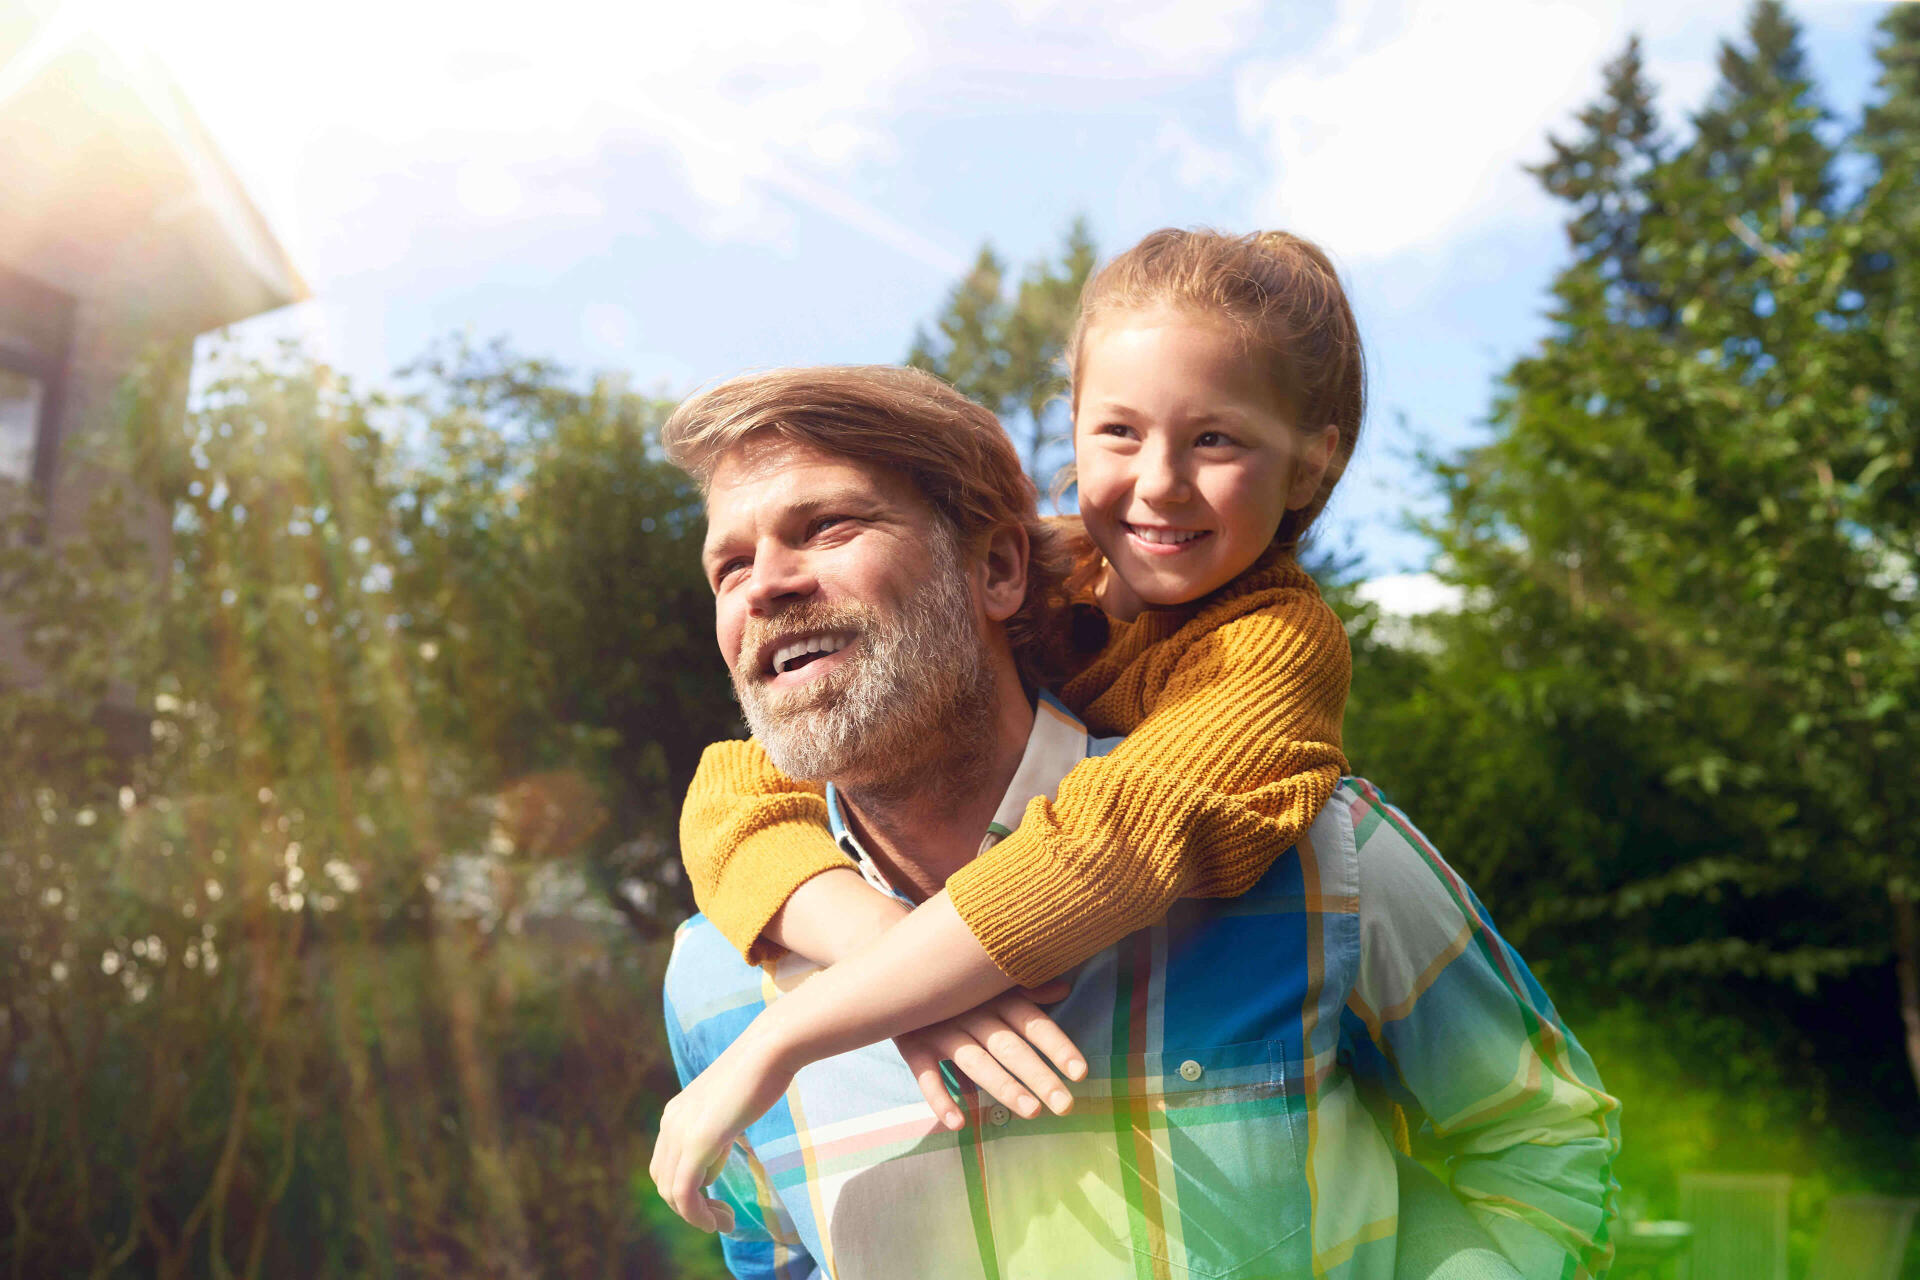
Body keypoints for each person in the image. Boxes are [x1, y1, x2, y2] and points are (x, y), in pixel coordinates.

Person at [650, 364, 1619, 1279]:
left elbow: (1547, 1150)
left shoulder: (1320, 854)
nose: (765, 584)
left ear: (997, 567)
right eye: (728, 565)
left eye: (824, 525)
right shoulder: (714, 981)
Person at [678, 230, 1362, 1132]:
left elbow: (1110, 844)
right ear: (1074, 424)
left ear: (1312, 461)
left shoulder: (1271, 647)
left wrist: (789, 1034)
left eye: (1215, 440)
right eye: (1119, 431)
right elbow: (733, 789)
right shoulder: (1030, 576)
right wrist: (886, 961)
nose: (1158, 484)